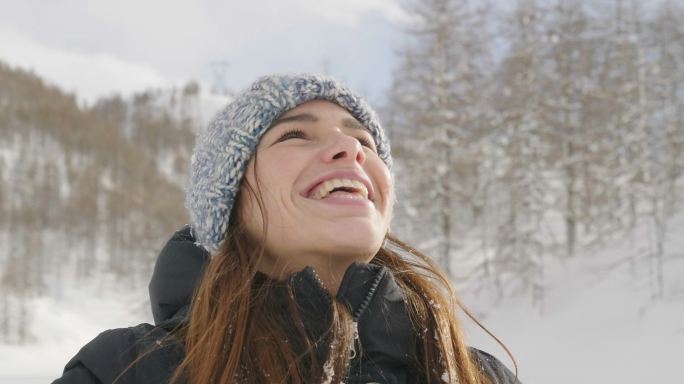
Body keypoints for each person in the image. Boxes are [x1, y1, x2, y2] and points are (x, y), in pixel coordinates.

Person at [53, 74, 520, 383]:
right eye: (295, 134)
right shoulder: (129, 369)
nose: (350, 150)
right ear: (229, 199)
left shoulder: (475, 373)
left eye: (363, 140)